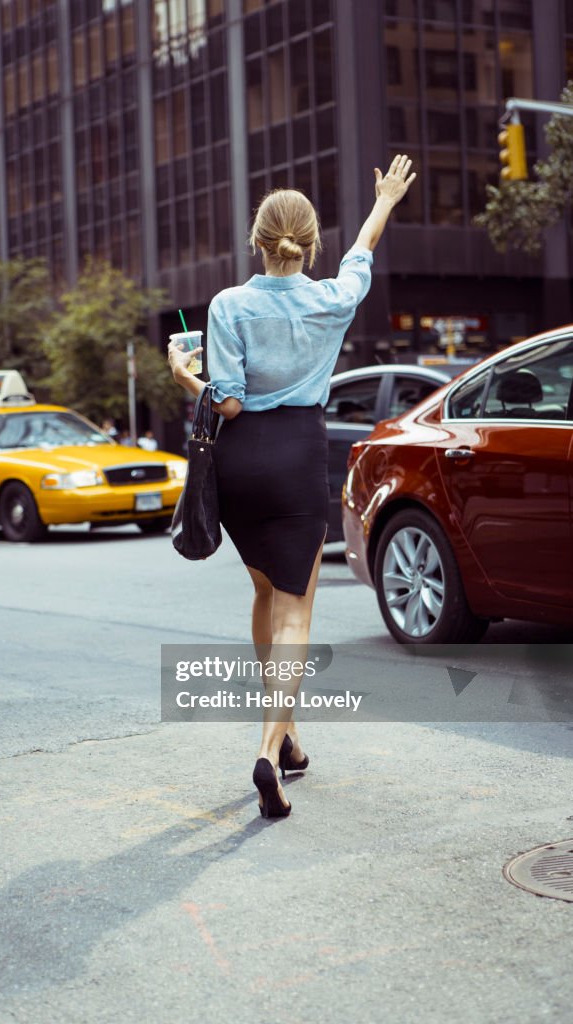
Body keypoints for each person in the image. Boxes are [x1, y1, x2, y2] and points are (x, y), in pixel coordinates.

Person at [168, 154, 416, 819]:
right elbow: (362, 251)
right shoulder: (332, 299)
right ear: (310, 247)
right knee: (297, 611)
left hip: (242, 461)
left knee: (264, 593)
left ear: (258, 241)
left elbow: (226, 406)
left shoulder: (227, 306)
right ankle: (268, 746)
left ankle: (291, 738)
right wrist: (384, 200)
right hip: (298, 456)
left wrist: (180, 373)